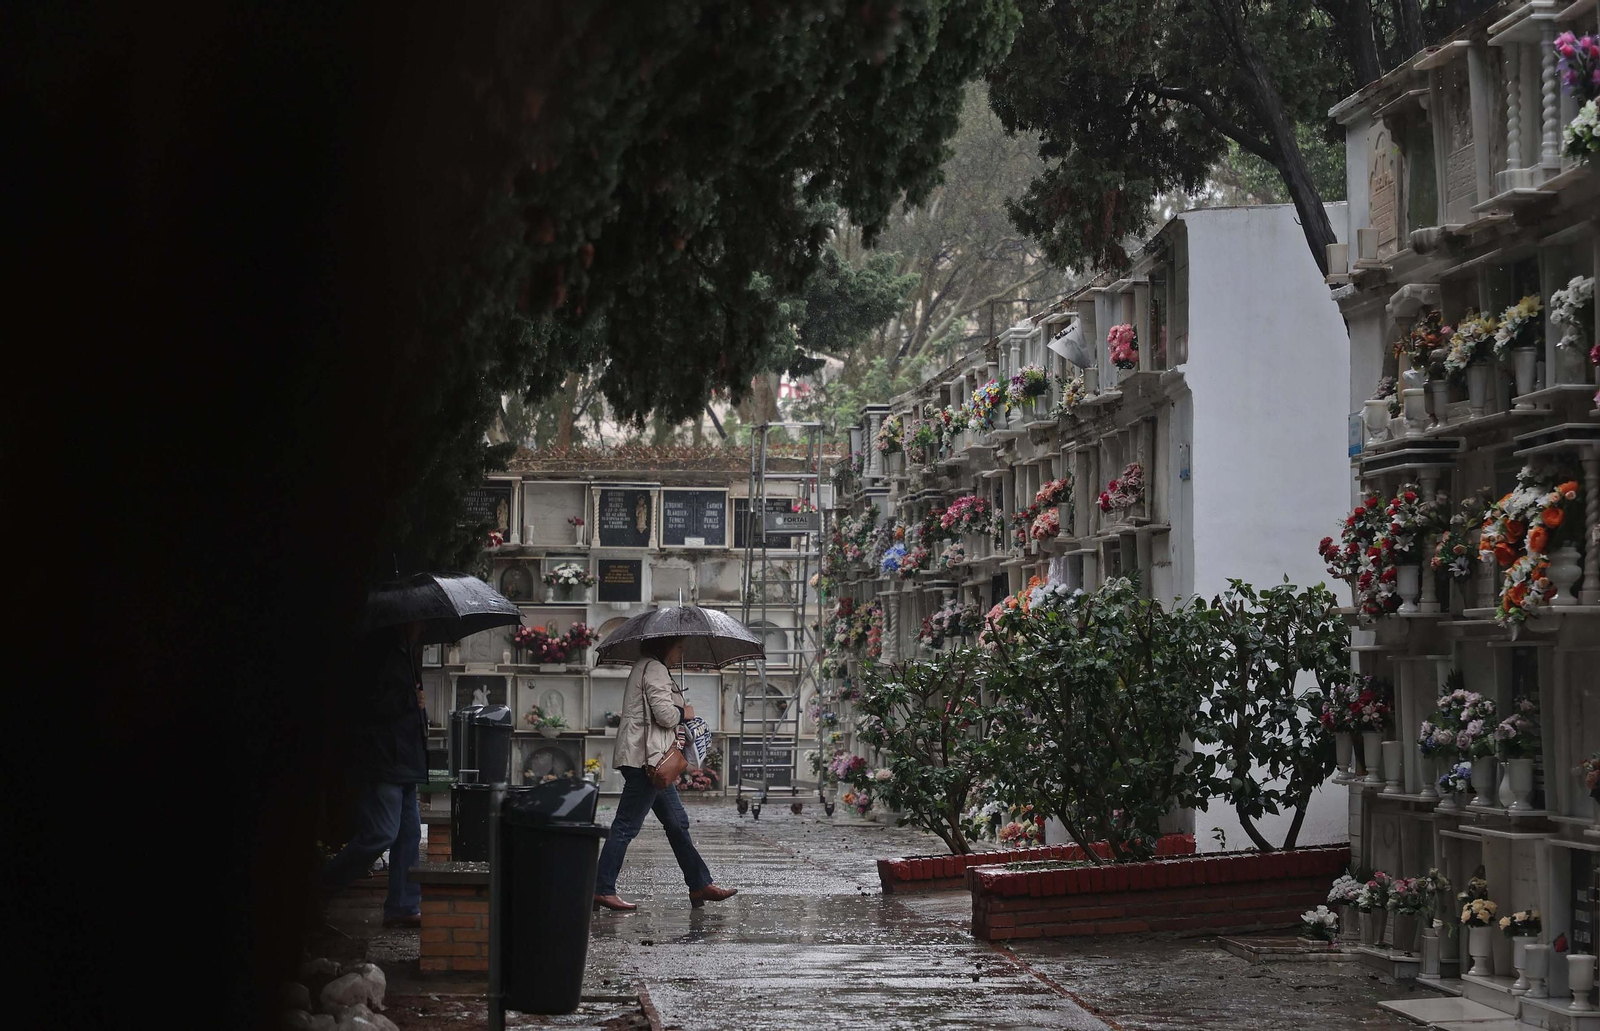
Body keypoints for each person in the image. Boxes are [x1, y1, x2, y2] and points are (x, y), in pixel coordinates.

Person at [593, 635, 736, 911]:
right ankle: (601, 888)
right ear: (664, 647)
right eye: (678, 647)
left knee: (677, 822)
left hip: (650, 760)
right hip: (646, 761)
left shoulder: (650, 668)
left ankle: (699, 884)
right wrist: (685, 711)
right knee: (626, 825)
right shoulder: (654, 668)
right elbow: (666, 716)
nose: (680, 653)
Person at [318, 621, 429, 928]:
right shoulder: (379, 653)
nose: (422, 626)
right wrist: (412, 699)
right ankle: (318, 887)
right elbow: (371, 704)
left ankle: (403, 906)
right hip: (384, 760)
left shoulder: (406, 654)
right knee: (381, 833)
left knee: (409, 835)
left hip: (406, 761)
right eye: (419, 620)